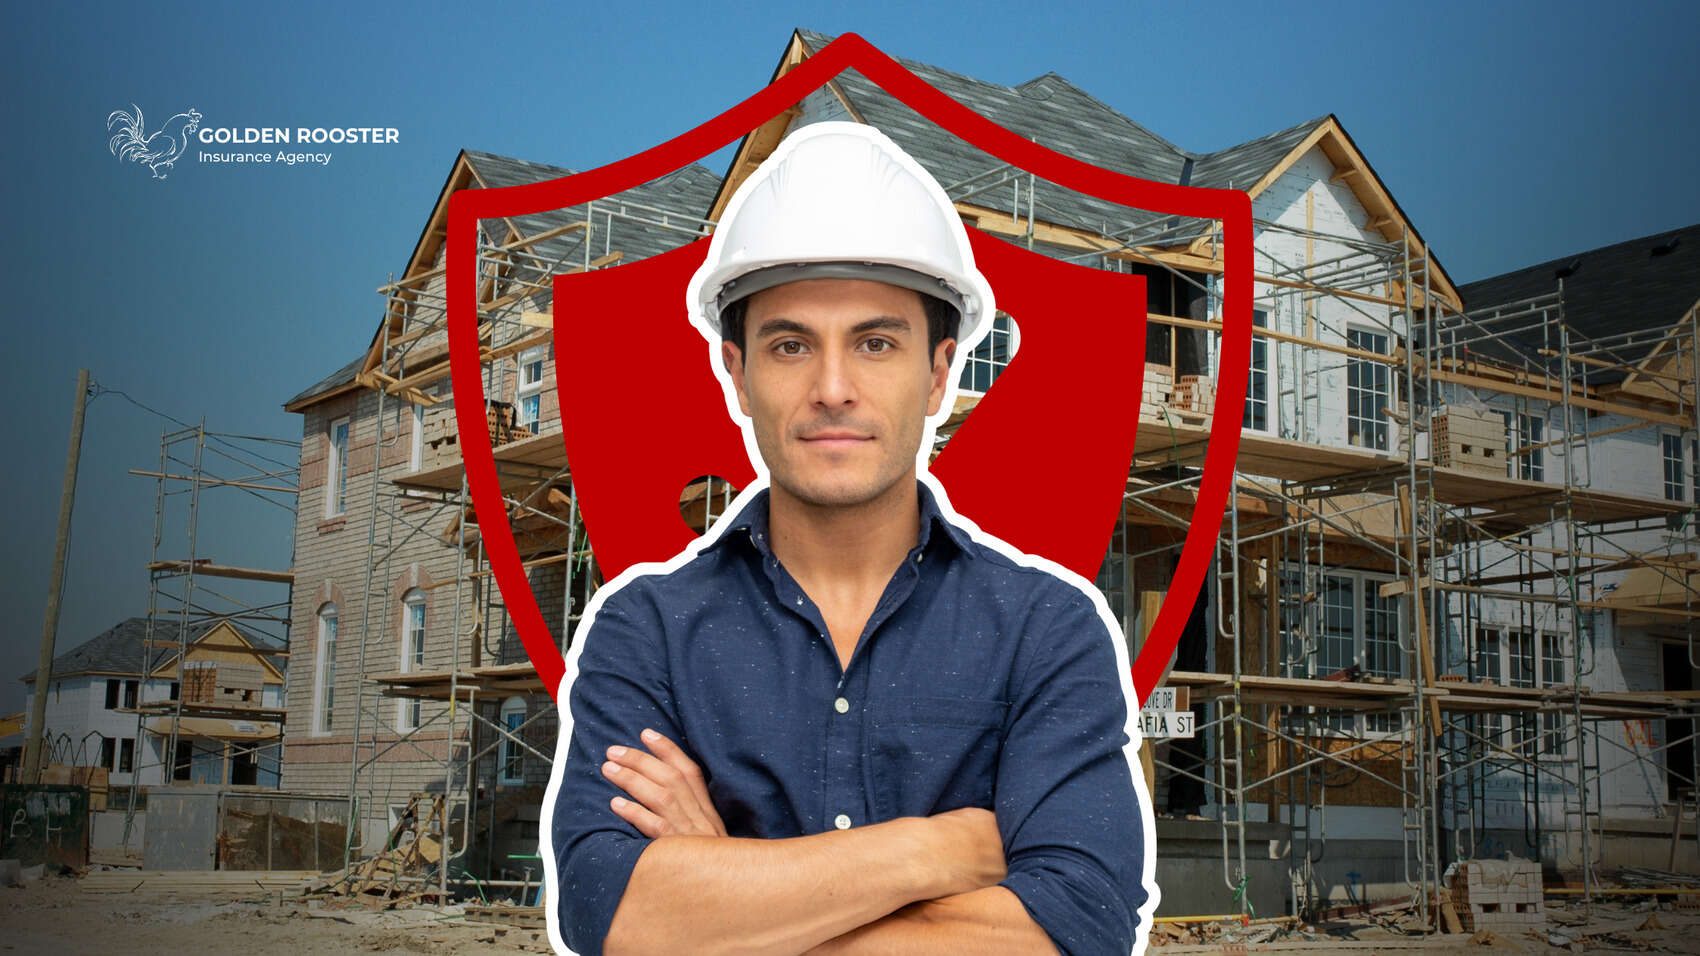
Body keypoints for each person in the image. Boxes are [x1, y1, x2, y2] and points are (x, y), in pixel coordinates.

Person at [545, 121, 1154, 956]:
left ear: (940, 373)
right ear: (736, 373)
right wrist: (934, 851)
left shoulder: (1047, 631)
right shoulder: (644, 630)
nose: (833, 389)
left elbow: (1078, 926)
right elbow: (608, 912)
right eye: (791, 345)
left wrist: (728, 893)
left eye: (875, 343)